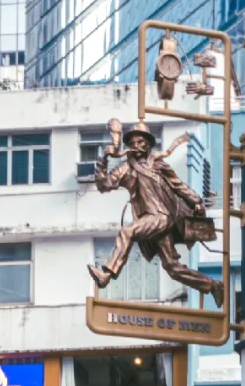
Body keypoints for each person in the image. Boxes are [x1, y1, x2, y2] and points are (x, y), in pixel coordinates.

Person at [88, 119, 224, 307]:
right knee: (173, 269)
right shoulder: (125, 168)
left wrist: (197, 202)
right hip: (150, 222)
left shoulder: (158, 165)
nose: (136, 146)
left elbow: (179, 186)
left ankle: (107, 274)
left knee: (127, 231)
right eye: (132, 143)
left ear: (148, 144)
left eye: (141, 142)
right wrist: (104, 159)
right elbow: (104, 185)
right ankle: (213, 285)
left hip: (163, 217)